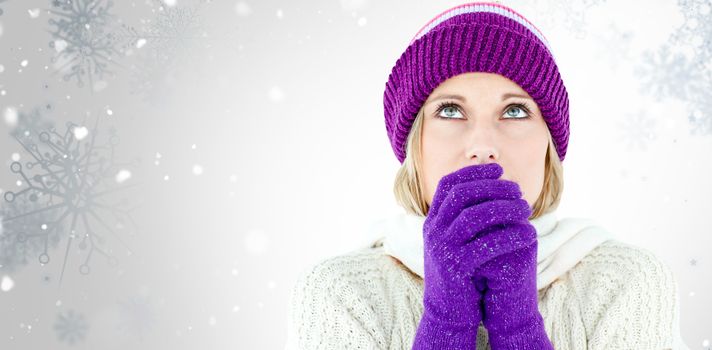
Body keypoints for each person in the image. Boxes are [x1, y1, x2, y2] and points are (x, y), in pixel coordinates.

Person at [285, 2, 690, 349]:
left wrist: (518, 329)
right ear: (414, 147)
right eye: (449, 110)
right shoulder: (340, 294)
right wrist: (447, 323)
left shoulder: (627, 284)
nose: (482, 144)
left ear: (548, 145)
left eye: (514, 110)